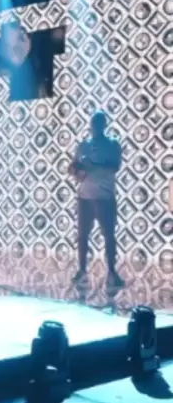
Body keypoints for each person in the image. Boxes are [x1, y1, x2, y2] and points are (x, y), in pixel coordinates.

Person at [68, 111, 124, 287]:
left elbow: (114, 166)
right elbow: (73, 166)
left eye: (99, 123)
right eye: (94, 123)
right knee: (82, 235)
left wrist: (93, 167)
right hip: (85, 197)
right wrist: (76, 171)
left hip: (105, 197)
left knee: (109, 236)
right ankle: (82, 271)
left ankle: (112, 272)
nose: (96, 126)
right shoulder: (83, 145)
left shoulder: (113, 145)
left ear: (104, 125)